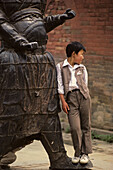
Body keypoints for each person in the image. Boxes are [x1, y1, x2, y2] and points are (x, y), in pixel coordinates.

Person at [0, 1, 78, 169]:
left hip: (41, 60)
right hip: (14, 61)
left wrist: (60, 18)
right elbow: (2, 22)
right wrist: (19, 40)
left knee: (48, 112)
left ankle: (59, 159)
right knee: (10, 112)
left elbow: (39, 23)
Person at [56, 41, 92, 164]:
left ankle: (85, 153)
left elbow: (85, 85)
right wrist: (63, 101)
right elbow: (59, 85)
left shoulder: (83, 68)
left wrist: (84, 97)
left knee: (85, 126)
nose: (83, 57)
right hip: (70, 99)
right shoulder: (60, 67)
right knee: (75, 128)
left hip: (83, 98)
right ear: (73, 54)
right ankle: (77, 152)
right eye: (81, 54)